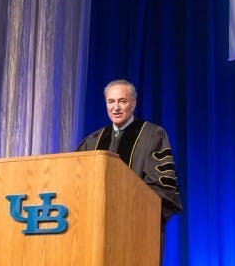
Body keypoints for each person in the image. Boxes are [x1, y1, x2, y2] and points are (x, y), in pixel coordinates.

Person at [76, 79, 183, 222]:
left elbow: (161, 187)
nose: (116, 107)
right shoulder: (92, 141)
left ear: (133, 104)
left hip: (136, 222)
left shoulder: (152, 135)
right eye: (111, 101)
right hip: (95, 222)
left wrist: (126, 205)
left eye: (122, 101)